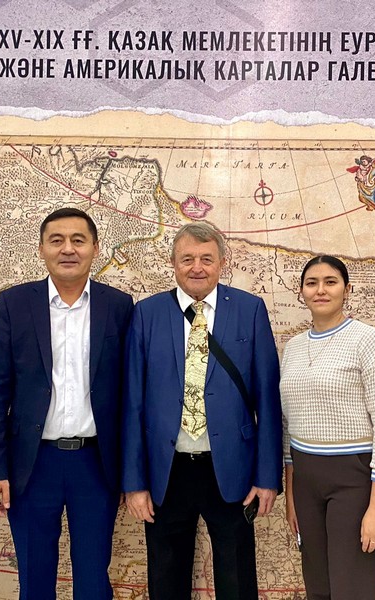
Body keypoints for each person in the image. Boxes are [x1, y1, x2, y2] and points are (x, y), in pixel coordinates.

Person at [0, 207, 133, 599]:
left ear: (95, 248)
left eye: (78, 240)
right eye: (57, 240)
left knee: (94, 582)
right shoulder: (15, 303)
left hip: (95, 465)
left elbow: (129, 396)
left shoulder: (118, 306)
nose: (68, 249)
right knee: (34, 580)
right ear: (42, 248)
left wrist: (133, 474)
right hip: (31, 466)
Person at [122, 222, 282, 600]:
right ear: (173, 263)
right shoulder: (147, 313)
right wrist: (134, 482)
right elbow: (133, 403)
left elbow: (267, 400)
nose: (197, 267)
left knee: (237, 578)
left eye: (207, 259)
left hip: (231, 467)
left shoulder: (249, 309)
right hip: (167, 470)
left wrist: (267, 477)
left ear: (222, 262)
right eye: (187, 259)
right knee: (166, 578)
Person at [280, 255, 375, 600]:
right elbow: (289, 426)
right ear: (302, 291)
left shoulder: (367, 340)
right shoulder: (293, 348)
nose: (321, 290)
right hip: (306, 480)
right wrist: (291, 496)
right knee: (318, 588)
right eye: (312, 283)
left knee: (353, 590)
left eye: (330, 282)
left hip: (354, 479)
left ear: (347, 290)